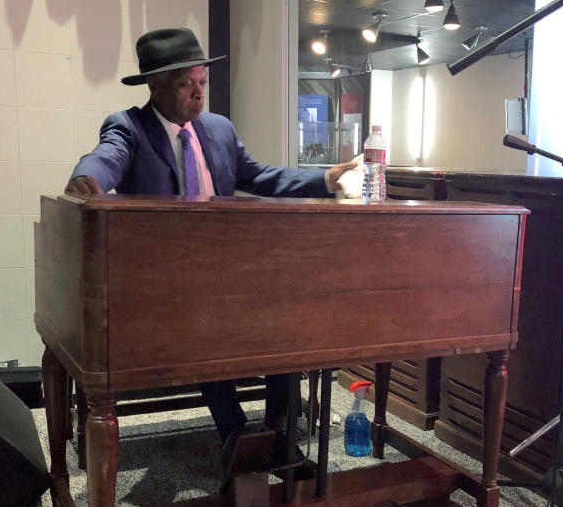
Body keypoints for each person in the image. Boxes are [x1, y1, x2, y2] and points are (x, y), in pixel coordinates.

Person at [66, 27, 358, 448]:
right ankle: (235, 437)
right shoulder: (130, 127)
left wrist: (325, 179)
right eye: (186, 84)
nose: (199, 94)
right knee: (204, 331)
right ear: (155, 85)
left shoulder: (218, 129)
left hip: (225, 270)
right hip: (167, 282)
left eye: (202, 82)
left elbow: (258, 177)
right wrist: (86, 179)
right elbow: (106, 157)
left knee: (284, 319)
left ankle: (278, 430)